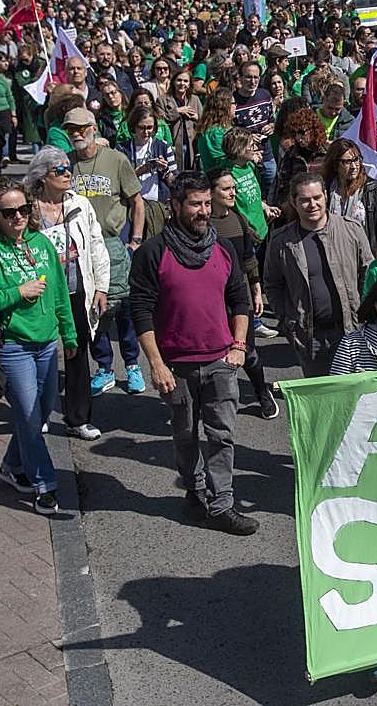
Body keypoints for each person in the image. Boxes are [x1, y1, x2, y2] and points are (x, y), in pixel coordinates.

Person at [129, 172, 259, 535]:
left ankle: (221, 505)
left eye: (206, 203)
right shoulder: (154, 252)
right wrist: (155, 364)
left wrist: (238, 345)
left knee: (222, 435)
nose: (203, 211)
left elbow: (239, 300)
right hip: (176, 365)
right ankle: (194, 489)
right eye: (195, 204)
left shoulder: (223, 249)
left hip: (220, 362)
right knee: (185, 435)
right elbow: (140, 309)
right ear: (175, 206)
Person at [0, 178, 77, 516]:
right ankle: (45, 485)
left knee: (36, 415)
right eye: (9, 212)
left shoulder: (41, 244)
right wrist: (16, 293)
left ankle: (12, 465)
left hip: (46, 344)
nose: (18, 217)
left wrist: (68, 336)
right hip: (13, 346)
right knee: (28, 417)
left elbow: (58, 295)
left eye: (24, 209)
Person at [27, 147, 110, 441]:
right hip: (40, 295)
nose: (67, 174)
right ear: (42, 176)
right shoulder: (28, 210)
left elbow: (97, 245)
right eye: (59, 170)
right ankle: (39, 413)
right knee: (41, 354)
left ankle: (78, 419)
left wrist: (101, 286)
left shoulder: (80, 205)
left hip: (77, 290)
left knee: (77, 354)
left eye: (67, 169)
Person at [65, 106, 147, 396]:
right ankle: (104, 368)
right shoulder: (66, 165)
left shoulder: (116, 160)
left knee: (123, 307)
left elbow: (137, 201)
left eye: (81, 128)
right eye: (70, 129)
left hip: (113, 244)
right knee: (93, 310)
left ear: (94, 128)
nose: (76, 134)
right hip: (80, 249)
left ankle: (133, 365)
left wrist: (135, 240)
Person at [263, 172, 373, 376]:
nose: (312, 204)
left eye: (316, 198)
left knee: (357, 398)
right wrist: (288, 320)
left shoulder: (352, 230)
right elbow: (272, 284)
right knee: (321, 399)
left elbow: (368, 275)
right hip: (310, 337)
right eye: (304, 200)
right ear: (294, 203)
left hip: (351, 331)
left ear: (326, 196)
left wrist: (365, 315)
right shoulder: (281, 241)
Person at [206, 167, 277, 418]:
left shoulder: (238, 219)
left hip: (240, 297)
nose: (232, 193)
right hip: (212, 299)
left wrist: (256, 290)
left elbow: (248, 258)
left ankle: (262, 393)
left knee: (247, 350)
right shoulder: (204, 225)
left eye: (233, 188)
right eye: (226, 189)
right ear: (211, 193)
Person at [320, 138, 377, 250]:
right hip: (333, 251)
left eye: (356, 160)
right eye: (347, 162)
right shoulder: (325, 189)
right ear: (335, 165)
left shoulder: (373, 189)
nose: (354, 166)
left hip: (364, 254)